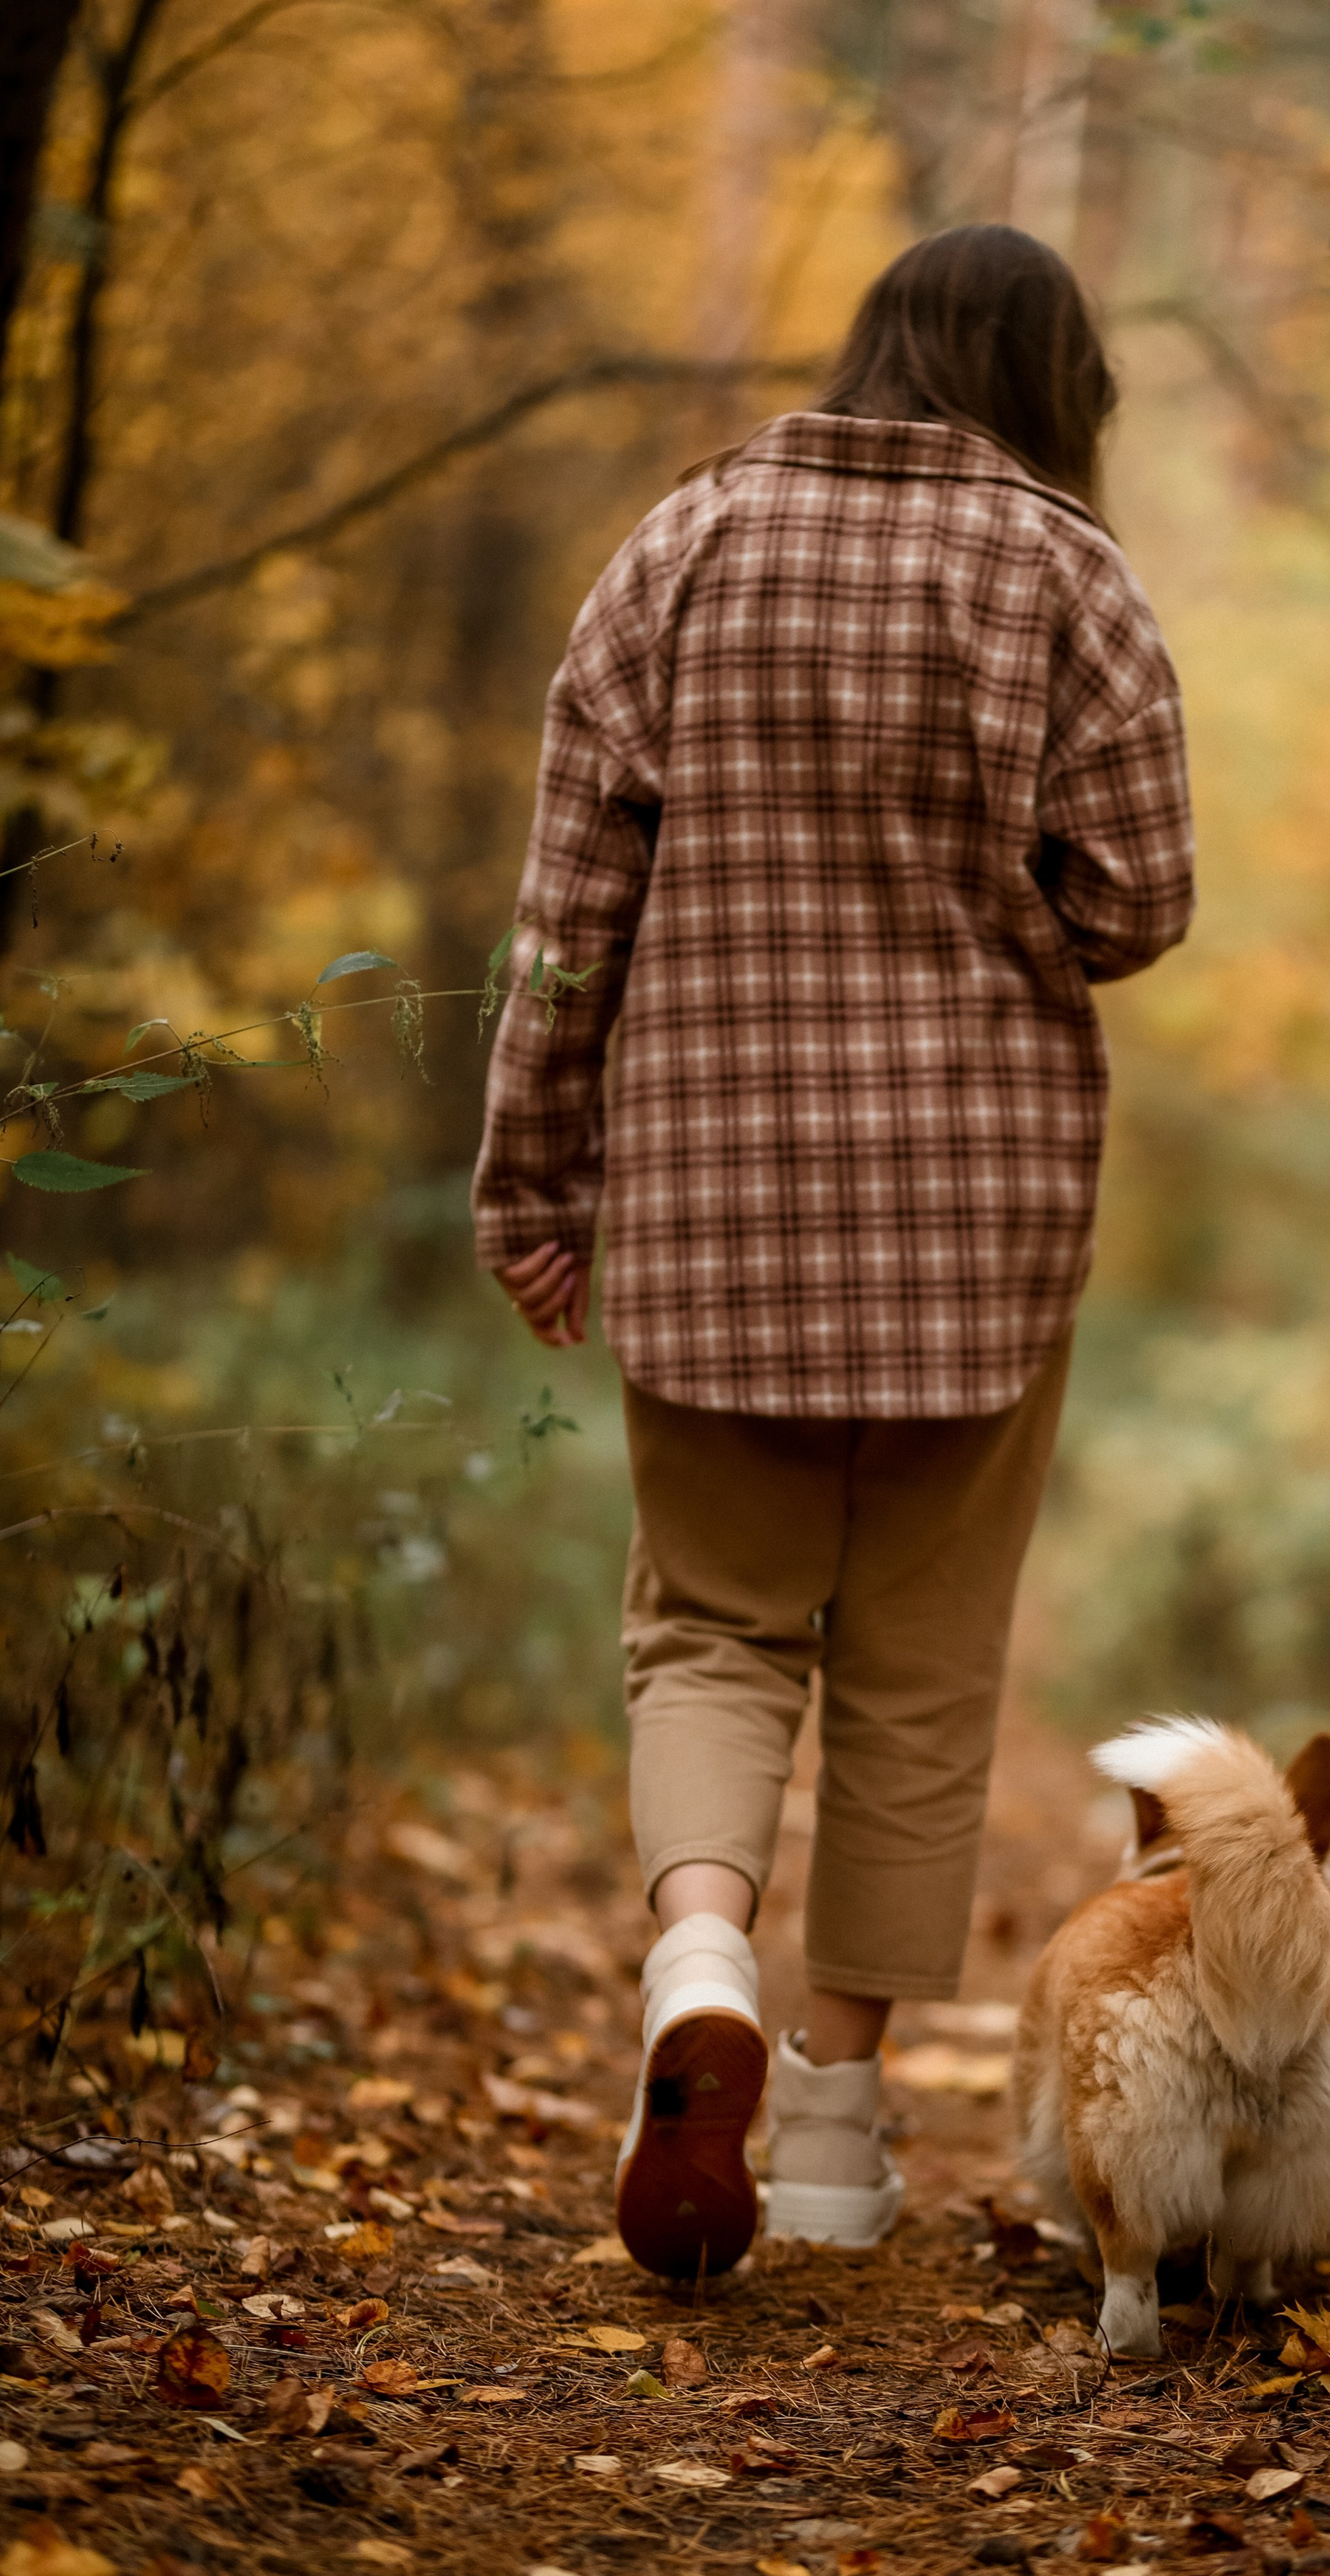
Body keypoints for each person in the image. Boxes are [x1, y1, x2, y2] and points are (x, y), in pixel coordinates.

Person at [470, 222, 1194, 2279]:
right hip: (980, 1228)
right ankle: (840, 2141)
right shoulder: (1070, 575)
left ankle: (698, 1956)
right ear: (1052, 382)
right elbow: (1140, 900)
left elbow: (561, 916)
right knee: (919, 1672)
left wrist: (533, 1182)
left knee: (708, 1625)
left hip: (707, 1206)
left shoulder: (682, 545)